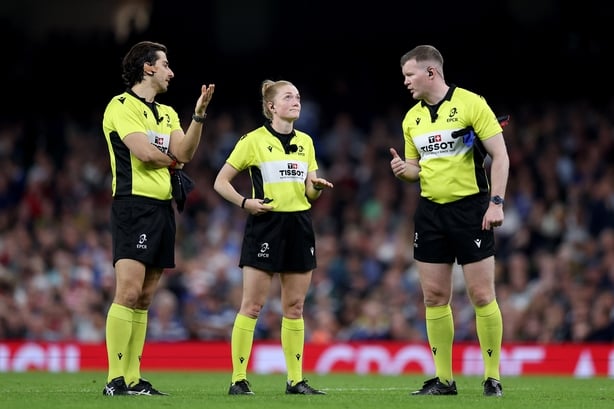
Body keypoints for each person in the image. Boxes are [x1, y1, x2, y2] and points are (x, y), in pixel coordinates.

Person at [389, 45, 508, 397]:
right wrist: (403, 171)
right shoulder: (411, 119)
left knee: (482, 294)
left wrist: (496, 203)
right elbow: (416, 169)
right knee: (434, 297)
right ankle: (444, 380)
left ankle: (492, 377)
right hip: (430, 212)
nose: (406, 82)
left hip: (471, 209)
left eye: (409, 75)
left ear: (430, 72)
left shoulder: (471, 104)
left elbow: (500, 156)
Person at [101, 40, 215, 396]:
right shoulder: (120, 106)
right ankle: (114, 379)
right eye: (165, 64)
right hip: (133, 205)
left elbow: (184, 152)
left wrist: (197, 116)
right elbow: (143, 152)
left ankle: (133, 378)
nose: (171, 71)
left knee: (147, 297)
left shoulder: (166, 113)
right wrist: (173, 159)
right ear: (147, 67)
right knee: (129, 291)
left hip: (163, 208)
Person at [214, 79, 332, 396]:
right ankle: (238, 379)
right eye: (288, 97)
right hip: (266, 224)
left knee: (294, 307)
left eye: (298, 96)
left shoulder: (306, 141)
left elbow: (308, 191)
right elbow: (221, 182)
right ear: (271, 106)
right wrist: (244, 202)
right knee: (252, 306)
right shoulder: (252, 141)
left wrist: (316, 188)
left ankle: (295, 380)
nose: (296, 101)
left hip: (299, 224)